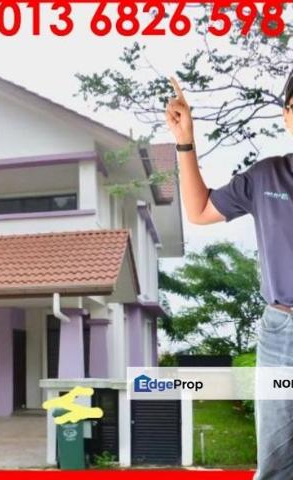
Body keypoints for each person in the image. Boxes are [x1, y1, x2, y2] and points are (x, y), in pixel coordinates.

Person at [165, 74, 293, 480]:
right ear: (286, 115)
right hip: (282, 332)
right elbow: (200, 210)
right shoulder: (267, 176)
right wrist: (185, 141)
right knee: (276, 461)